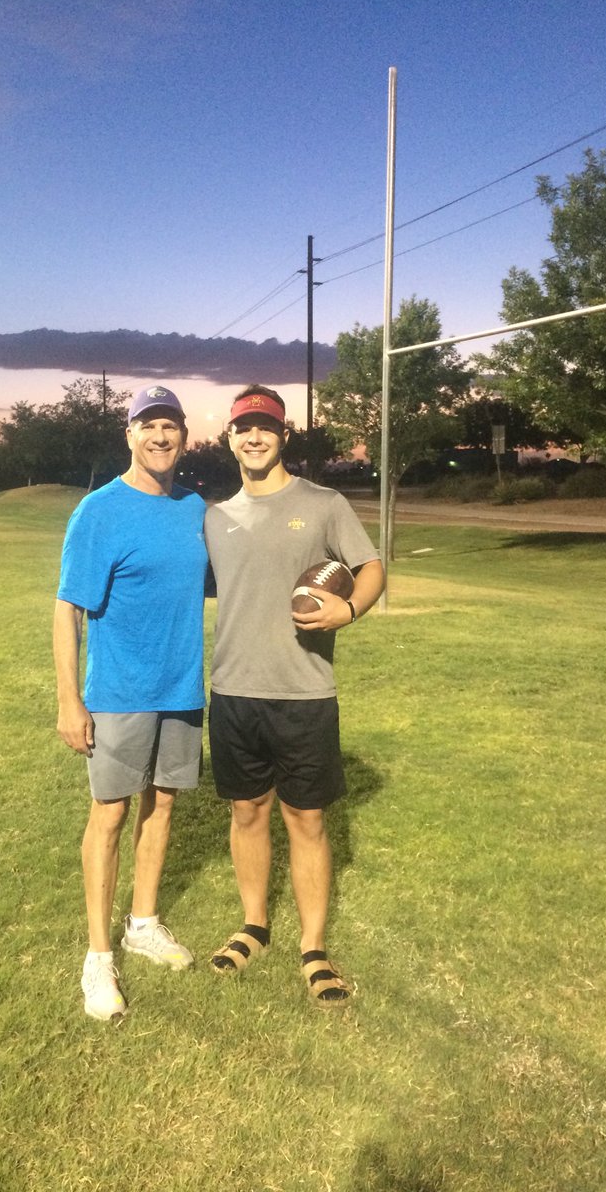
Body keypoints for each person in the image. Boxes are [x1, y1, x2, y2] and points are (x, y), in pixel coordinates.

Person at [204, 385, 385, 1007]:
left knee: (306, 819)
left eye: (266, 428)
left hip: (304, 692)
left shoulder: (324, 503)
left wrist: (351, 609)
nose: (254, 437)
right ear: (229, 438)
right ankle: (254, 924)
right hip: (232, 691)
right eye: (243, 428)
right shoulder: (214, 516)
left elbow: (371, 566)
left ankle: (313, 948)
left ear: (283, 437)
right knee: (247, 812)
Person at [53, 386, 208, 1022]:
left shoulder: (195, 508)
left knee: (163, 802)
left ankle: (141, 923)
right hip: (118, 692)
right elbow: (68, 608)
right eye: (148, 426)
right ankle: (97, 957)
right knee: (110, 815)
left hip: (182, 687)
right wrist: (70, 698)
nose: (160, 437)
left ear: (184, 436)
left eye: (170, 426)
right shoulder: (99, 511)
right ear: (129, 436)